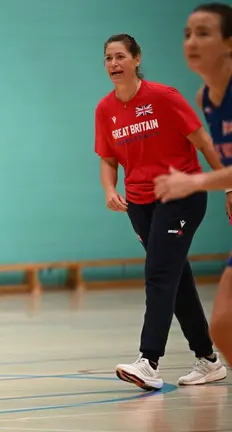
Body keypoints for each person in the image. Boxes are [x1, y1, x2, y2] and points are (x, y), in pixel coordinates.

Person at [94, 33, 227, 391]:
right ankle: (208, 359)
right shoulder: (105, 110)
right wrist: (110, 189)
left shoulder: (164, 98)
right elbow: (108, 159)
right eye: (108, 58)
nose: (114, 64)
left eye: (121, 56)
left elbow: (203, 141)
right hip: (140, 204)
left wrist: (227, 184)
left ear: (137, 59)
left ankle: (149, 360)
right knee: (175, 277)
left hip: (182, 196)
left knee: (158, 273)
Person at [154, 2, 232, 369]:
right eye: (187, 34)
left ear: (229, 42)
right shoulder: (205, 98)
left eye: (203, 33)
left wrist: (194, 182)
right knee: (223, 327)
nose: (191, 42)